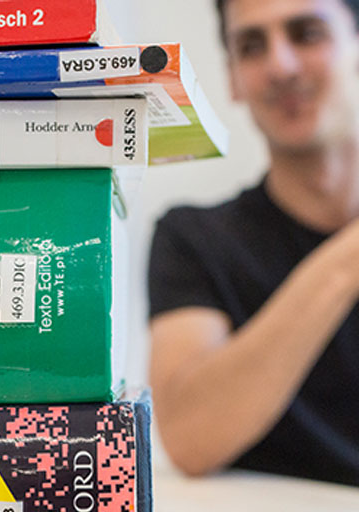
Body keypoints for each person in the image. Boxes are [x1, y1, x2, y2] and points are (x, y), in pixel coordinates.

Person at [148, 0, 359, 485]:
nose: (280, 66)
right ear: (234, 80)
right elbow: (189, 439)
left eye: (306, 34)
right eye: (251, 45)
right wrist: (346, 260)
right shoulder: (194, 239)